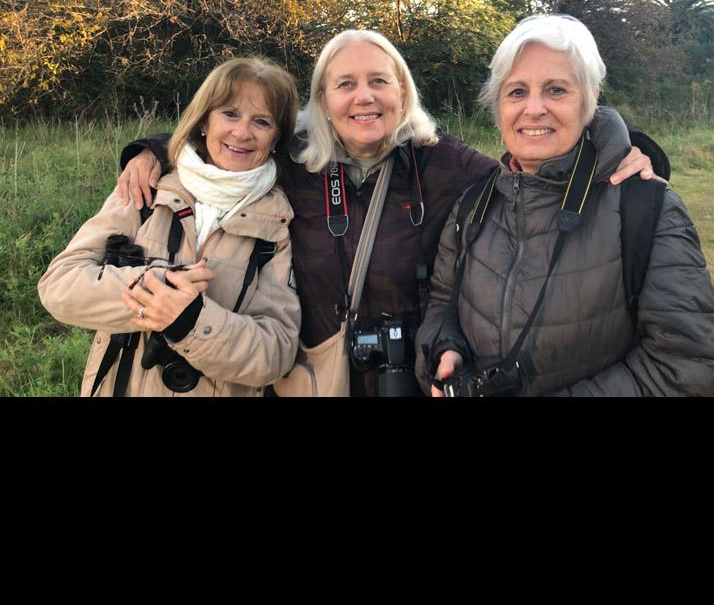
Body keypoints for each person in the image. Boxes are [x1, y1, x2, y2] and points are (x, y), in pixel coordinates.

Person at [115, 29, 669, 397]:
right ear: (322, 99)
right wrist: (151, 149)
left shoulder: (446, 164)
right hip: (311, 377)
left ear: (403, 92)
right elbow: (229, 143)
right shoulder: (295, 161)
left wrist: (630, 149)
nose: (364, 97)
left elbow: (533, 167)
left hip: (413, 378)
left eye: (379, 81)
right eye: (345, 84)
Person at [415, 15, 714, 397]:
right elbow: (442, 304)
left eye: (556, 89)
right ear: (498, 106)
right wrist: (444, 352)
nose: (534, 108)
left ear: (590, 99)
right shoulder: (472, 206)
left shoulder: (647, 209)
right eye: (516, 92)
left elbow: (683, 367)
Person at [39, 57, 301, 396]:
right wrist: (158, 287)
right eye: (230, 114)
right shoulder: (147, 185)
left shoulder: (278, 222)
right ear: (204, 120)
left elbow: (276, 353)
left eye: (262, 121)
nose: (242, 132)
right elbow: (60, 286)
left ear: (277, 136)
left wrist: (191, 321)